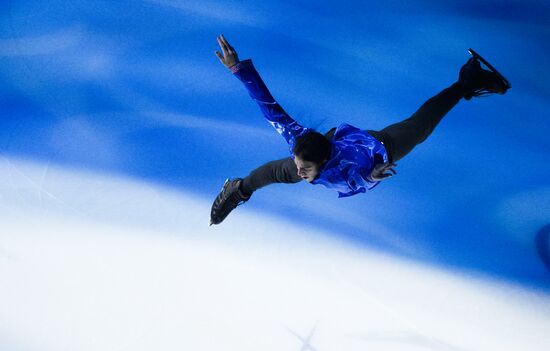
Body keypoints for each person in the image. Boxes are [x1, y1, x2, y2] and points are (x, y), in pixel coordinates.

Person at [210, 34, 510, 226]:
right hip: (337, 150)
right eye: (300, 166)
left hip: (377, 148)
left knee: (420, 127)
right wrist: (239, 69)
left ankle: (467, 82)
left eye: (305, 169)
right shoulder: (301, 149)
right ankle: (237, 189)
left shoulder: (350, 167)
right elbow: (268, 106)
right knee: (273, 173)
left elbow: (355, 181)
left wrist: (370, 174)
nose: (300, 173)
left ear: (324, 163)